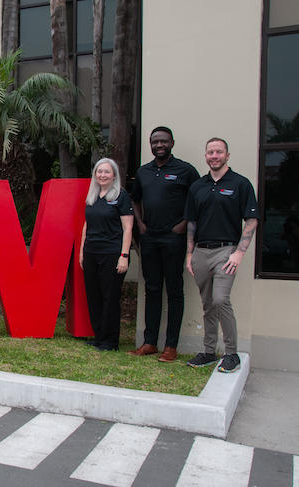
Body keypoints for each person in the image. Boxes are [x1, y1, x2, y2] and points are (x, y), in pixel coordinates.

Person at [184, 138, 258, 373]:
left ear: (227, 155)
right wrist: (189, 254)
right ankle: (208, 351)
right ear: (206, 156)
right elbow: (191, 223)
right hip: (201, 252)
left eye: (219, 152)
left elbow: (252, 220)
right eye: (210, 152)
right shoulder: (198, 186)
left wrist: (239, 253)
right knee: (207, 304)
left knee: (220, 299)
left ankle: (231, 354)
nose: (214, 156)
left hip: (226, 251)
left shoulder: (240, 184)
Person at [128, 127, 200, 362]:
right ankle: (149, 343)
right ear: (150, 144)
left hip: (174, 238)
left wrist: (184, 224)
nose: (159, 145)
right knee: (152, 289)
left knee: (175, 290)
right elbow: (135, 199)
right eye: (155, 141)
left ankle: (171, 346)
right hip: (150, 237)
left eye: (163, 141)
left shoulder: (186, 170)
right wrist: (139, 223)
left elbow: (198, 200)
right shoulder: (143, 172)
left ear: (172, 143)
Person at [79, 158, 134, 351]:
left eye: (107, 172)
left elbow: (128, 228)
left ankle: (110, 341)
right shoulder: (93, 196)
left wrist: (124, 256)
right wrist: (82, 251)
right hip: (91, 252)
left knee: (109, 298)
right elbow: (87, 224)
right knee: (94, 296)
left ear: (114, 175)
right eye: (99, 171)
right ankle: (99, 336)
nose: (103, 175)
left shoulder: (121, 196)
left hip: (112, 253)